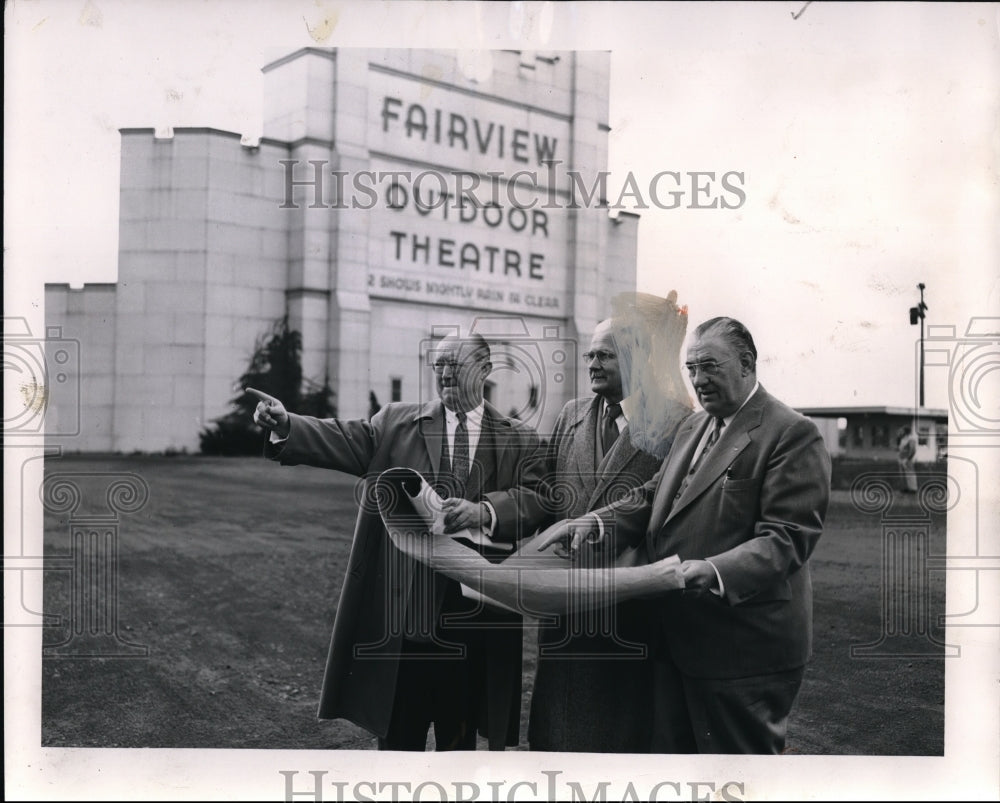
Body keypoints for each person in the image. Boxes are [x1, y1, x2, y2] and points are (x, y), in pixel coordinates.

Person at [539, 316, 832, 754]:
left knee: (735, 781)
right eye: (692, 368)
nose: (698, 379)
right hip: (675, 643)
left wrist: (712, 571)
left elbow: (787, 539)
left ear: (747, 364)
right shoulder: (693, 427)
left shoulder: (791, 433)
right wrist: (595, 522)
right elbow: (653, 494)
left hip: (740, 652)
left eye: (710, 366)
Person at [249, 334, 549, 751]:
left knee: (459, 754)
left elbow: (541, 499)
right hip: (405, 619)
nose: (444, 373)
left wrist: (487, 511)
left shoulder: (521, 439)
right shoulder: (394, 423)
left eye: (455, 365)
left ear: (484, 370)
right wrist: (286, 423)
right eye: (438, 364)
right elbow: (341, 438)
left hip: (477, 621)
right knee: (397, 748)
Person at [528, 309, 692, 752]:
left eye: (606, 355)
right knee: (557, 749)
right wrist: (485, 513)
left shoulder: (678, 422)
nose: (593, 364)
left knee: (621, 749)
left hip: (631, 616)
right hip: (565, 613)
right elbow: (543, 495)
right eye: (590, 355)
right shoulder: (571, 414)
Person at [897, 425, 918, 493]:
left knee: (910, 473)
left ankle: (913, 489)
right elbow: (901, 449)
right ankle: (905, 488)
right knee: (902, 474)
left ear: (905, 432)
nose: (901, 432)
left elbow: (913, 450)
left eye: (902, 431)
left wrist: (908, 458)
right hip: (901, 459)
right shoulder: (903, 439)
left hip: (907, 459)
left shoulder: (911, 439)